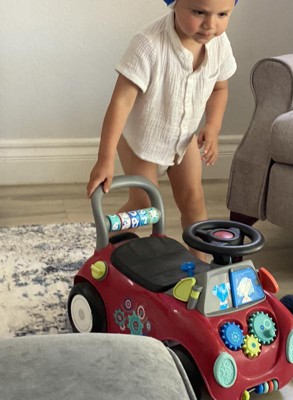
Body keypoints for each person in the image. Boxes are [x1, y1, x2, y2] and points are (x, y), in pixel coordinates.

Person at [87, 0, 238, 261]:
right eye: (199, 12)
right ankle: (102, 252)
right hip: (142, 143)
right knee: (144, 203)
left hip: (183, 140)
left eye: (222, 14)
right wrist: (105, 158)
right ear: (175, 3)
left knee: (194, 201)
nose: (210, 25)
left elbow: (219, 89)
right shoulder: (148, 45)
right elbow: (121, 102)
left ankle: (202, 267)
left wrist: (212, 127)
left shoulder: (219, 44)